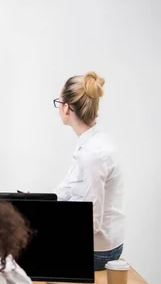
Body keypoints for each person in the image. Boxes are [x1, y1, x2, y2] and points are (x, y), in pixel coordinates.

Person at [53, 72, 124, 270]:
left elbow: (91, 222)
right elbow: (68, 189)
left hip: (99, 252)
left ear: (66, 108)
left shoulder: (93, 154)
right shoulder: (90, 144)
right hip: (99, 244)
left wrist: (50, 227)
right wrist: (41, 202)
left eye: (59, 102)